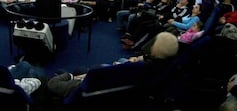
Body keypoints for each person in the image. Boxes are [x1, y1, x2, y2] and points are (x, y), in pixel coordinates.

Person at [47, 32, 179, 98]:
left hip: (96, 88)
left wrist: (78, 77)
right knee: (80, 69)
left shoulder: (137, 68)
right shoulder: (166, 67)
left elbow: (97, 76)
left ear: (156, 48)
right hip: (120, 85)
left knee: (68, 72)